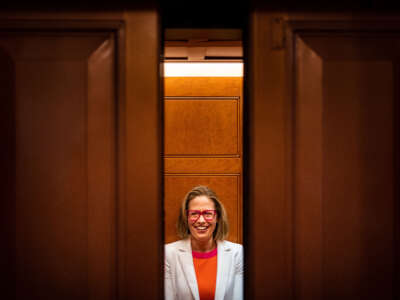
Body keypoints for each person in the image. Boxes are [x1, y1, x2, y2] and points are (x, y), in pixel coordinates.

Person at [165, 185, 243, 300]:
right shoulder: (168, 253)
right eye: (194, 214)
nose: (201, 220)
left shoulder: (237, 253)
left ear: (217, 217)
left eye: (208, 214)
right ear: (186, 217)